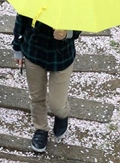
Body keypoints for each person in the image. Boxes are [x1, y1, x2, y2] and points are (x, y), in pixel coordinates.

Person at [12, 13, 81, 153]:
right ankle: (40, 128)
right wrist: (17, 48)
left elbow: (80, 24)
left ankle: (62, 116)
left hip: (62, 56)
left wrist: (67, 33)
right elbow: (21, 19)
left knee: (57, 104)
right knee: (37, 96)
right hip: (34, 51)